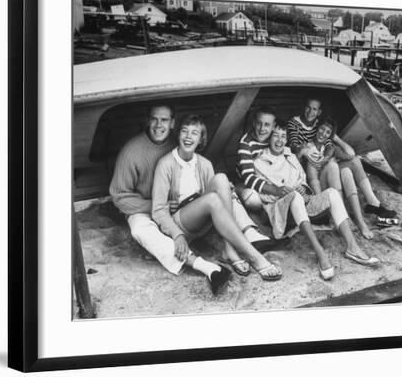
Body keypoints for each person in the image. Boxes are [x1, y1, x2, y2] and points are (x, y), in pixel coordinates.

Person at [110, 104, 272, 295]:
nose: (158, 125)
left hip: (188, 211)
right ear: (147, 121)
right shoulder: (134, 152)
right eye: (154, 119)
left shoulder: (187, 149)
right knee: (140, 229)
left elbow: (205, 184)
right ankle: (212, 262)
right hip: (147, 207)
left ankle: (237, 242)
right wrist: (158, 207)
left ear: (172, 124)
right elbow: (120, 197)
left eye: (164, 120)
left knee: (222, 183)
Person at [152, 114, 283, 286]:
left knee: (221, 178)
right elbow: (158, 210)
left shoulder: (204, 163)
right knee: (213, 199)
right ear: (178, 135)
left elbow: (219, 195)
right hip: (181, 224)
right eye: (184, 131)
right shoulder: (166, 164)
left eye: (194, 133)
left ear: (200, 140)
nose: (188, 137)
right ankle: (255, 257)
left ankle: (229, 249)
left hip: (204, 220)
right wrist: (176, 235)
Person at [254, 120, 380, 275]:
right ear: (269, 138)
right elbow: (263, 195)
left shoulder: (291, 157)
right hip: (282, 211)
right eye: (275, 136)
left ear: (286, 139)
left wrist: (305, 191)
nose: (279, 140)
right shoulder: (260, 161)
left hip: (302, 205)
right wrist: (286, 191)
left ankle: (353, 247)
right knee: (294, 196)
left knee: (333, 193)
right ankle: (320, 254)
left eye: (283, 136)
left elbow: (303, 180)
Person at [288, 97, 397, 237]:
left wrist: (334, 139)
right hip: (317, 179)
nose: (311, 112)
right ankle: (342, 217)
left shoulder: (326, 139)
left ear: (319, 112)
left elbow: (350, 154)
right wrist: (306, 152)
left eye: (315, 109)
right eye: (309, 107)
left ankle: (367, 211)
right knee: (333, 166)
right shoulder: (297, 127)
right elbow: (296, 151)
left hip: (326, 169)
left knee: (349, 168)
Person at [236, 106, 294, 211]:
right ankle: (263, 214)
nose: (262, 129)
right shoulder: (245, 143)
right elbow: (248, 178)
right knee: (251, 198)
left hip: (272, 178)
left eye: (267, 125)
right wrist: (275, 190)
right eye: (259, 123)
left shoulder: (273, 136)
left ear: (273, 126)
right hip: (248, 183)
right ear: (254, 123)